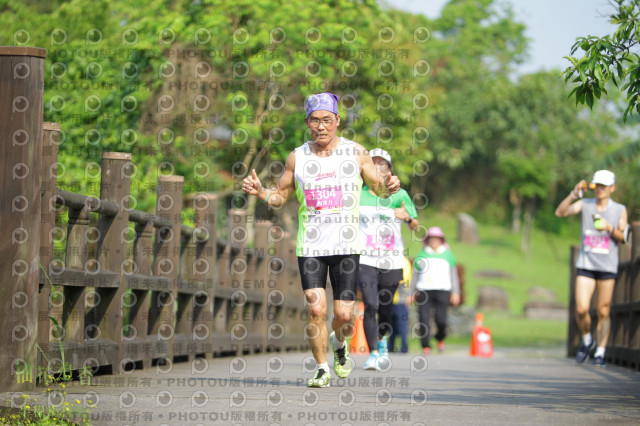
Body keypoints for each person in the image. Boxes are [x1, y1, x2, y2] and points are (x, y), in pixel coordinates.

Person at [242, 92, 401, 387]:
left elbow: (378, 189)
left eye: (327, 120)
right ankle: (320, 368)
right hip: (311, 245)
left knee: (344, 316)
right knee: (316, 309)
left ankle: (339, 346)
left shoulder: (356, 153)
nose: (321, 126)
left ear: (338, 121)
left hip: (346, 246)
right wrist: (261, 192)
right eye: (315, 121)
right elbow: (280, 197)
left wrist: (389, 186)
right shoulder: (297, 157)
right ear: (307, 122)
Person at [555, 170, 628, 366]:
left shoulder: (619, 209)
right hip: (586, 263)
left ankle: (600, 353)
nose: (600, 189)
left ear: (612, 188)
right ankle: (587, 340)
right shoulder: (585, 204)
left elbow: (624, 237)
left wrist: (609, 228)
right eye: (597, 185)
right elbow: (560, 213)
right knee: (581, 309)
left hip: (607, 266)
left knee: (604, 311)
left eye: (604, 186)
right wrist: (573, 194)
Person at [357, 148, 419, 370]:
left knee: (385, 308)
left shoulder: (399, 195)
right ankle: (373, 352)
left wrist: (408, 217)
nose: (378, 169)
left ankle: (382, 340)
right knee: (370, 304)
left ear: (390, 171)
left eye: (383, 165)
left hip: (392, 261)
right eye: (373, 164)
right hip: (365, 259)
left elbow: (416, 225)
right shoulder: (357, 192)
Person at [408, 227, 461, 355]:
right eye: (432, 238)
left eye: (437, 239)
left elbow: (454, 275)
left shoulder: (448, 255)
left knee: (441, 320)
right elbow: (415, 275)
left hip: (443, 290)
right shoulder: (422, 255)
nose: (434, 241)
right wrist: (410, 293)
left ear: (441, 240)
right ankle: (425, 345)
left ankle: (440, 338)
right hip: (424, 290)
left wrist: (456, 292)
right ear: (428, 240)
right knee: (423, 319)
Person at [388, 256, 413, 354]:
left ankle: (404, 346)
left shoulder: (403, 260)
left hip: (401, 299)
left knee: (401, 324)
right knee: (391, 324)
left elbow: (404, 278)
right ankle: (391, 346)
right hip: (390, 299)